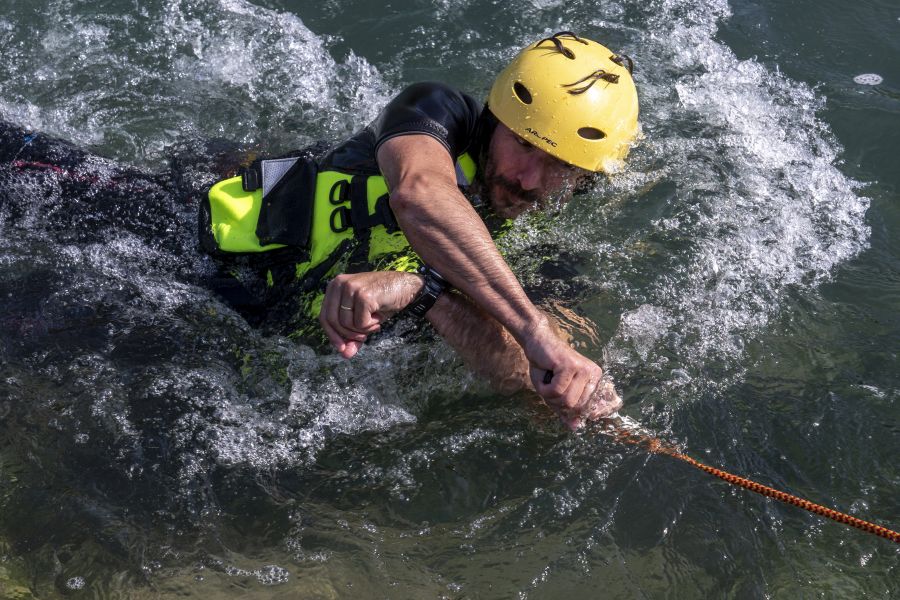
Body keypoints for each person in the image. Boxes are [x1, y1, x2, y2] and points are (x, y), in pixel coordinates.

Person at [203, 32, 640, 429]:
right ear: (496, 118)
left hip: (257, 338)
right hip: (188, 249)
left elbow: (535, 380)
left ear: (586, 177)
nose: (527, 178)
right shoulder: (436, 112)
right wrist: (533, 329)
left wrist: (422, 294)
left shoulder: (547, 256)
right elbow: (418, 193)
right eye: (523, 144)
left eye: (559, 165)